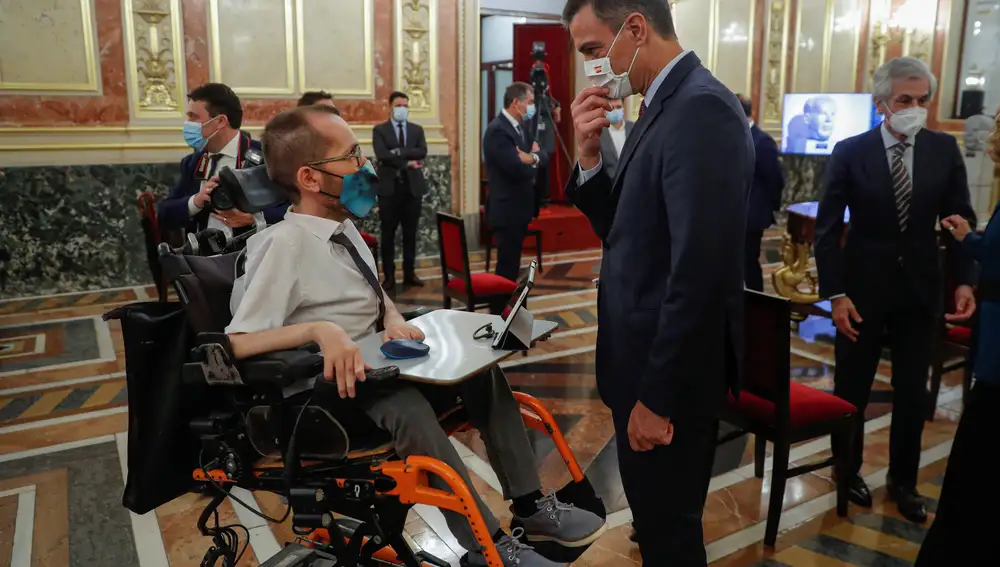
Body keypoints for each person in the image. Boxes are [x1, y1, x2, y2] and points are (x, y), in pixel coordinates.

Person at [226, 104, 605, 567]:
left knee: (483, 376)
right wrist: (318, 330)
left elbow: (373, 294)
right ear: (309, 178)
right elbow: (236, 343)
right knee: (405, 408)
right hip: (324, 395)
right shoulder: (283, 245)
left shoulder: (341, 229)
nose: (364, 167)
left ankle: (530, 506)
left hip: (375, 368)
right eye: (351, 157)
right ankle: (487, 547)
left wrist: (389, 316)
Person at [563, 0, 750, 564]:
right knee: (655, 519)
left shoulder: (701, 109)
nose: (594, 67)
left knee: (670, 533)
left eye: (595, 50)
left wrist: (657, 398)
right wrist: (590, 157)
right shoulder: (660, 103)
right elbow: (625, 229)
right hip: (639, 362)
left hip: (664, 379)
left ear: (635, 29)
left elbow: (699, 271)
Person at [814, 56, 977, 524]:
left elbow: (960, 221)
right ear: (882, 102)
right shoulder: (850, 151)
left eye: (922, 100)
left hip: (921, 289)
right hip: (862, 290)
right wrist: (836, 294)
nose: (914, 108)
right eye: (905, 100)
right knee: (853, 387)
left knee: (913, 391)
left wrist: (964, 279)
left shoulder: (943, 150)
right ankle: (847, 472)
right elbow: (827, 231)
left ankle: (903, 481)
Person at [917, 112, 999, 567]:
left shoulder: (942, 152)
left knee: (979, 468)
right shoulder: (854, 150)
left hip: (996, 359)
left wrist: (971, 243)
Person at [158, 83, 288, 234]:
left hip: (251, 252)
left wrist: (254, 219)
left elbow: (295, 207)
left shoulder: (267, 155)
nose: (188, 124)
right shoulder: (192, 162)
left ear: (220, 121)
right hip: (202, 253)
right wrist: (196, 201)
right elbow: (165, 213)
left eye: (194, 117)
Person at [483, 82, 546, 283]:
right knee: (506, 266)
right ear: (516, 103)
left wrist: (532, 158)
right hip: (507, 209)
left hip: (520, 208)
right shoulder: (498, 130)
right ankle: (500, 310)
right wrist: (531, 157)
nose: (532, 107)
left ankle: (508, 307)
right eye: (529, 102)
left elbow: (542, 154)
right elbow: (514, 168)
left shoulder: (520, 128)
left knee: (513, 263)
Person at [372, 91, 428, 291]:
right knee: (388, 235)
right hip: (389, 190)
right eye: (398, 105)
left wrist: (398, 152)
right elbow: (382, 155)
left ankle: (409, 273)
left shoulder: (416, 130)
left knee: (410, 234)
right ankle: (388, 276)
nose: (402, 109)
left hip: (412, 190)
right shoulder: (380, 130)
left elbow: (422, 151)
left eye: (405, 105)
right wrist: (407, 162)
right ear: (390, 107)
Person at [737, 94, 785, 291]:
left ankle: (758, 306)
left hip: (752, 216)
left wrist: (770, 208)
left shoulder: (763, 142)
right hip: (729, 214)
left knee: (749, 263)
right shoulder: (727, 137)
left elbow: (775, 179)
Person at [598, 98, 634, 179]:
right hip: (609, 187)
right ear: (605, 111)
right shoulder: (599, 133)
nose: (615, 111)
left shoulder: (634, 128)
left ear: (623, 108)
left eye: (618, 107)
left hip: (632, 184)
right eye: (612, 108)